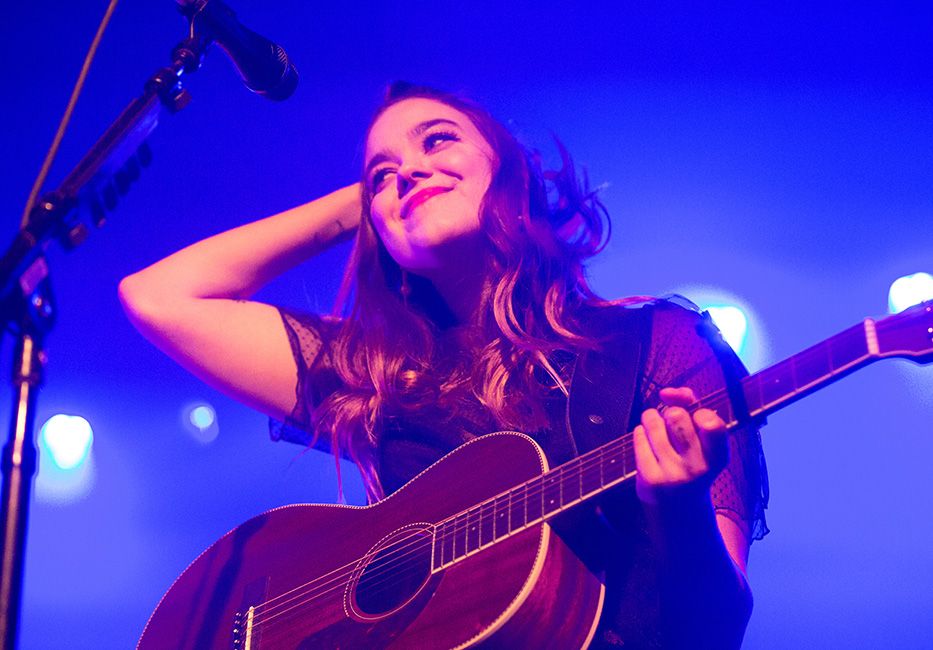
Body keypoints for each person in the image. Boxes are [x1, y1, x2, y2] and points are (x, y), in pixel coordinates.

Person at [119, 82, 767, 649]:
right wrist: (369, 205)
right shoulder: (371, 373)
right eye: (382, 170)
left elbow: (714, 633)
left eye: (438, 141)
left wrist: (679, 509)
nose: (407, 170)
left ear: (510, 172)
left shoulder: (662, 341)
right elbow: (157, 298)